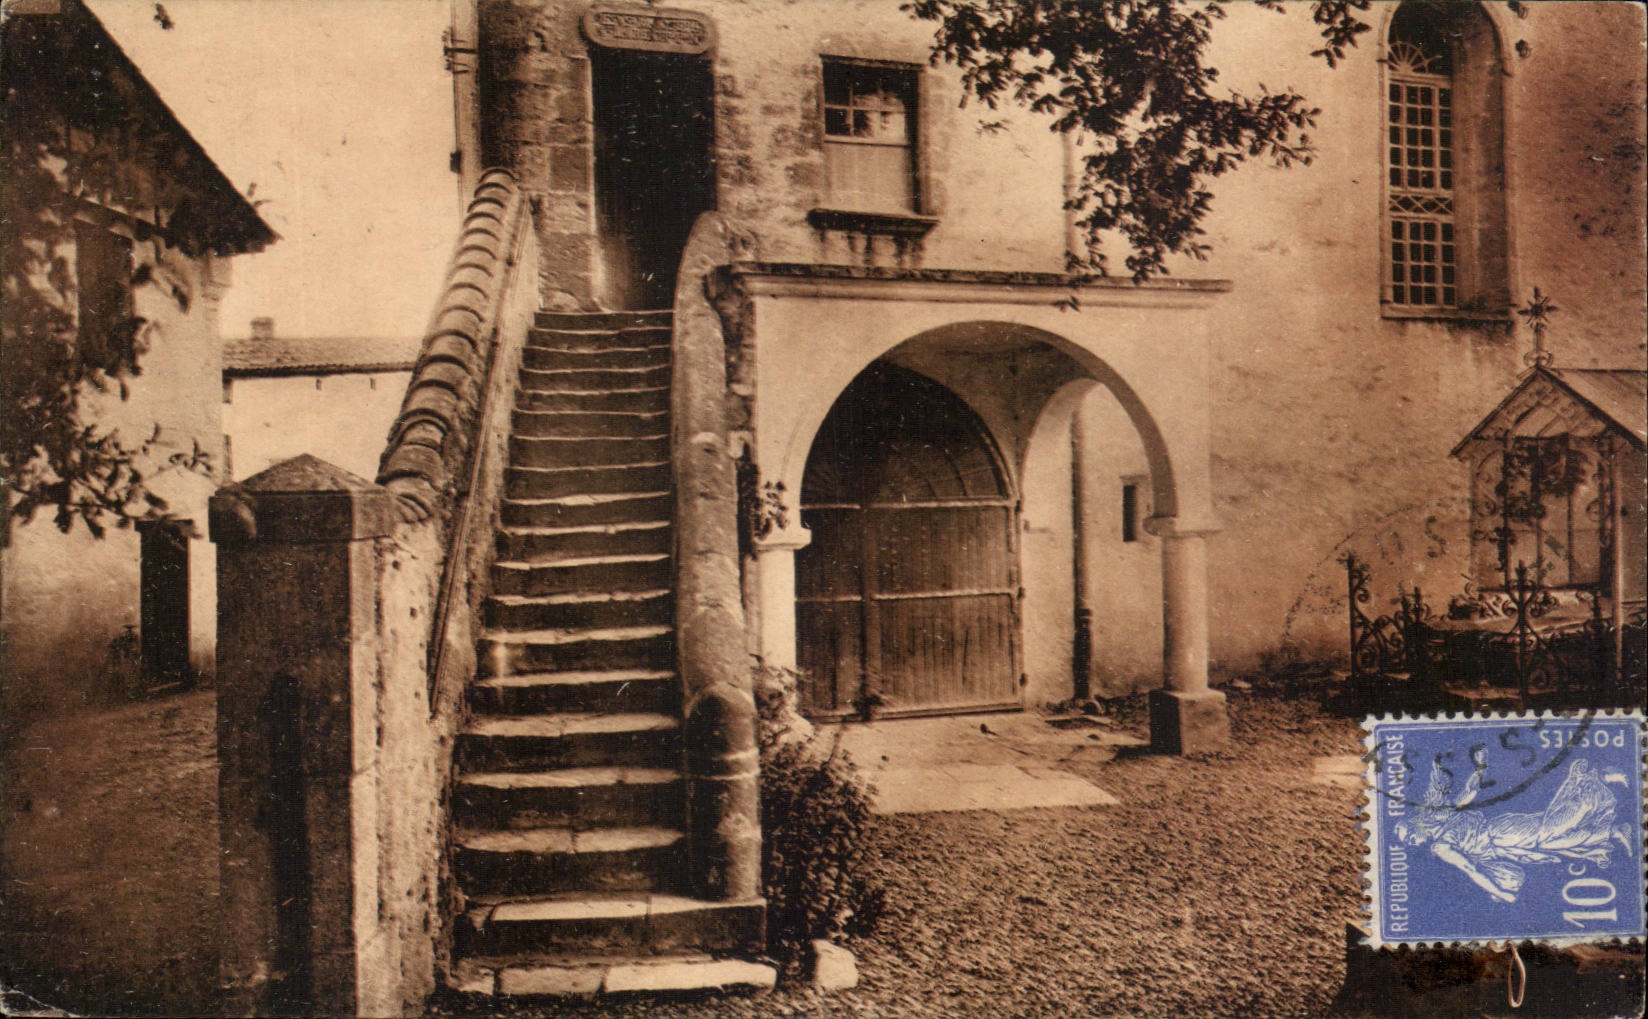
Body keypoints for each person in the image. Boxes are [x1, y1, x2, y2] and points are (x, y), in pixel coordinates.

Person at [1394, 750, 1629, 903]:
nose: (1412, 842)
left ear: (1418, 824)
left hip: (1500, 833)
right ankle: (1613, 830)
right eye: (1409, 842)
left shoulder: (1441, 836)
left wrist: (1480, 767)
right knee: (1553, 842)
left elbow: (1471, 868)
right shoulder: (1440, 838)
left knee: (1549, 831)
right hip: (1503, 848)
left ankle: (1593, 781)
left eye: (1410, 835)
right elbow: (1475, 867)